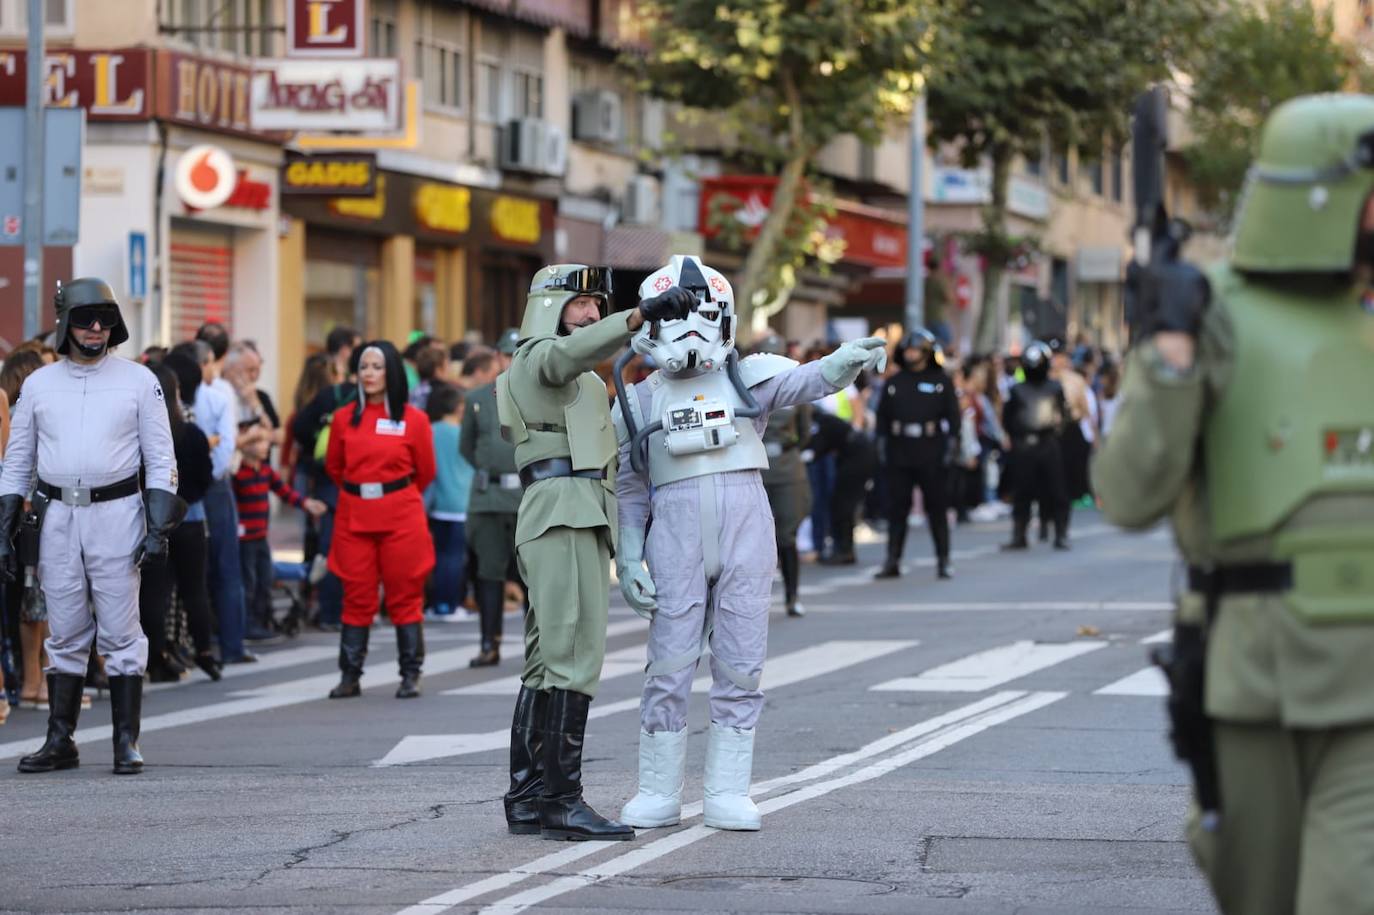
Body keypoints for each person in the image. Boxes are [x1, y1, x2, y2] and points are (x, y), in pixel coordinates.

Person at [1095, 94, 1374, 915]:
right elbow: (1126, 492)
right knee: (1259, 892)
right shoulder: (1208, 311)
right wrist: (1169, 357)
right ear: (1324, 195)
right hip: (1254, 672)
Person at [613, 256, 886, 834]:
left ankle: (727, 790)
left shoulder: (749, 375)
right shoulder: (635, 400)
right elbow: (630, 483)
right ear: (650, 326)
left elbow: (808, 379)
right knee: (669, 663)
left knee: (740, 662)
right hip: (675, 531)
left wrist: (845, 361)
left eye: (702, 317)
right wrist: (629, 553)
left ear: (725, 320)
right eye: (676, 318)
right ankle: (658, 788)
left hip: (745, 527)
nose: (690, 332)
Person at [496, 263, 694, 842]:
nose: (591, 312)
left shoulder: (581, 373)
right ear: (547, 305)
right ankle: (562, 801)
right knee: (573, 656)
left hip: (574, 509)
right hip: (562, 509)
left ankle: (531, 796)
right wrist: (634, 317)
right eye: (580, 302)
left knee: (547, 658)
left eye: (598, 304)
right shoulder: (538, 356)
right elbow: (565, 355)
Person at [1, 278, 183, 774]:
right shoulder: (38, 385)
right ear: (66, 323)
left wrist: (158, 524)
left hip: (117, 512)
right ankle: (60, 739)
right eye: (85, 318)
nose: (96, 328)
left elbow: (161, 455)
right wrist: (4, 523)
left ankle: (127, 740)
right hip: (57, 514)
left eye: (104, 317)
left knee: (122, 628)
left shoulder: (138, 381)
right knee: (63, 628)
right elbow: (17, 462)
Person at [324, 341, 436, 700]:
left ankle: (410, 674)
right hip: (354, 514)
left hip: (401, 516)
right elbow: (334, 468)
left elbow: (426, 472)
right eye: (363, 367)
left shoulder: (413, 419)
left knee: (405, 595)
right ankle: (349, 676)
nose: (369, 374)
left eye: (376, 367)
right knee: (356, 597)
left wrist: (391, 492)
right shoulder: (343, 418)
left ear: (391, 372)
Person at [151, 353, 224, 681]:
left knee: (155, 590)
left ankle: (156, 654)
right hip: (191, 516)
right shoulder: (191, 433)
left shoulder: (145, 433)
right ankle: (205, 650)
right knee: (194, 587)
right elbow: (207, 476)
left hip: (153, 518)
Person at [875, 329, 961, 580]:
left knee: (936, 508)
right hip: (899, 448)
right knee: (897, 509)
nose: (910, 354)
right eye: (907, 350)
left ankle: (943, 560)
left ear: (926, 353)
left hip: (931, 448)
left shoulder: (940, 381)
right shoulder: (894, 382)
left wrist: (952, 446)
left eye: (915, 350)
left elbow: (953, 418)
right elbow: (882, 417)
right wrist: (881, 444)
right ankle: (893, 560)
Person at [290, 331, 361, 631]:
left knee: (333, 546)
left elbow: (300, 428)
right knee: (344, 548)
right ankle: (343, 612)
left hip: (333, 482)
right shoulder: (384, 402)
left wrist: (317, 452)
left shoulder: (330, 396)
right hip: (355, 482)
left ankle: (333, 612)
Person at [460, 328, 523, 667]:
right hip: (489, 497)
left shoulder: (538, 393)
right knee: (488, 573)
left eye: (519, 354)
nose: (513, 361)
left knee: (533, 575)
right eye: (508, 355)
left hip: (527, 495)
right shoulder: (478, 399)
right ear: (498, 358)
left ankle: (538, 647)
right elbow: (466, 447)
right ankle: (489, 643)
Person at [233, 434, 327, 638]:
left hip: (260, 537)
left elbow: (284, 492)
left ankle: (261, 622)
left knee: (265, 579)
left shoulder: (265, 471)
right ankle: (248, 625)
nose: (265, 446)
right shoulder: (238, 473)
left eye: (266, 441)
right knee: (248, 582)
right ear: (245, 445)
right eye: (259, 441)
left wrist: (307, 504)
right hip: (244, 539)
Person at [753, 332, 813, 615]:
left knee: (787, 533)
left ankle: (792, 596)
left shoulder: (795, 390)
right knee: (750, 538)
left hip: (787, 465)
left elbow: (804, 433)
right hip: (756, 464)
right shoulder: (744, 387)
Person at [1, 351, 48, 706]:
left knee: (34, 601)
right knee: (36, 602)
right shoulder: (22, 412)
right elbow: (16, 463)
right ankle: (35, 680)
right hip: (33, 513)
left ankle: (33, 680)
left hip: (26, 513)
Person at [1001, 341, 1069, 551]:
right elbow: (1008, 418)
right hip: (1024, 445)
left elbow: (1063, 415)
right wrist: (1017, 437)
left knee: (1056, 491)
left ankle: (1060, 533)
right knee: (1022, 491)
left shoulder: (1055, 387)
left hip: (1048, 444)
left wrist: (1054, 432)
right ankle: (1019, 534)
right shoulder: (1016, 389)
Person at [423, 384, 472, 620]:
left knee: (440, 556)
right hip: (462, 503)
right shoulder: (464, 434)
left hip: (437, 503)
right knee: (454, 558)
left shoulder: (430, 431)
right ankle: (448, 605)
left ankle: (437, 604)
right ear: (456, 407)